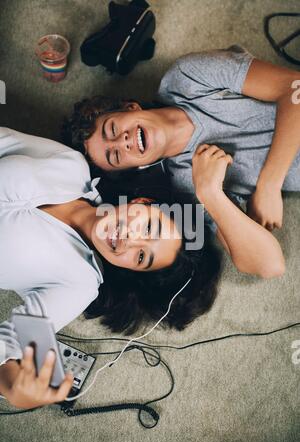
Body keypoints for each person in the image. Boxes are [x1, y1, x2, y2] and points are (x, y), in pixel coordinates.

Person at [0, 127, 223, 409]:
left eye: (142, 258)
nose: (131, 240)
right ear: (143, 202)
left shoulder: (79, 284)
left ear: (131, 271)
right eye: (150, 227)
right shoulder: (72, 166)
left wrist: (9, 383)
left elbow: (11, 343)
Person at [63, 45, 300, 275]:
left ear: (130, 107)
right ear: (136, 167)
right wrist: (211, 194)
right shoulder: (187, 185)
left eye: (112, 129)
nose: (121, 142)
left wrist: (270, 184)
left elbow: (294, 87)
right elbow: (269, 265)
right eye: (115, 156)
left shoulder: (187, 77)